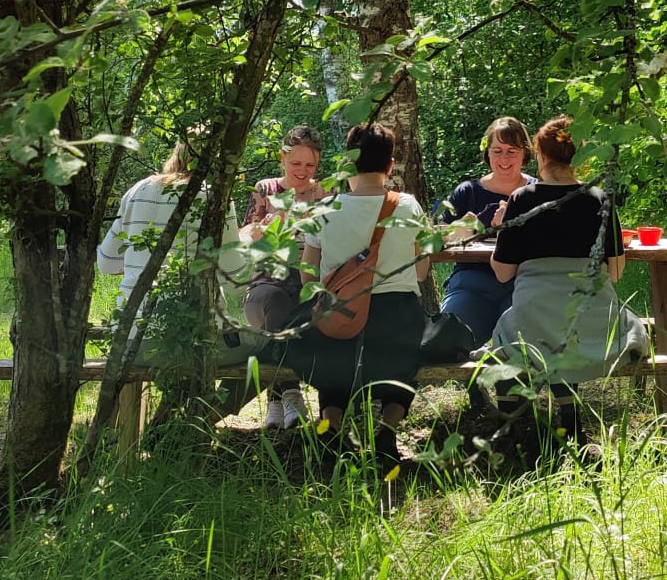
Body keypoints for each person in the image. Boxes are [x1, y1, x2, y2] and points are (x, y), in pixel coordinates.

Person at [265, 122, 430, 468]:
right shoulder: (408, 206)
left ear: (349, 162)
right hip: (398, 319)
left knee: (331, 351)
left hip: (343, 316)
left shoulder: (325, 211)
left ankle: (332, 424)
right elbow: (421, 271)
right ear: (390, 165)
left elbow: (307, 274)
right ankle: (387, 428)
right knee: (407, 359)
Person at [485, 115, 649, 442]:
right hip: (593, 326)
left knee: (508, 333)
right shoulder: (600, 199)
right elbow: (615, 272)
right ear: (578, 158)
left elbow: (503, 273)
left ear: (540, 155)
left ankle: (512, 419)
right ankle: (568, 410)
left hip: (533, 322)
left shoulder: (522, 200)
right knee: (629, 326)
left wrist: (503, 231)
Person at [96, 141, 244, 356]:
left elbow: (106, 263)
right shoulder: (215, 197)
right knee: (264, 353)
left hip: (128, 340)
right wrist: (250, 243)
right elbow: (235, 282)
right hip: (195, 340)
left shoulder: (138, 190)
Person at [240, 125, 328, 429]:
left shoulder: (326, 193)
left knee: (307, 304)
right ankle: (291, 392)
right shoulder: (265, 190)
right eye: (295, 164)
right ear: (282, 158)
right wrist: (263, 228)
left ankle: (277, 402)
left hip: (309, 281)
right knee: (278, 302)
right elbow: (243, 237)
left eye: (310, 165)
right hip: (267, 283)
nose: (302, 172)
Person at [438, 117, 534, 346]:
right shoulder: (467, 191)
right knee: (450, 340)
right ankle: (474, 383)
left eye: (511, 151)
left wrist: (510, 229)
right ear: (487, 153)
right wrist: (459, 231)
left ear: (524, 153)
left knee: (524, 347)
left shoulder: (537, 191)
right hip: (471, 281)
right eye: (497, 150)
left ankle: (511, 383)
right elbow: (438, 239)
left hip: (523, 283)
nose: (503, 158)